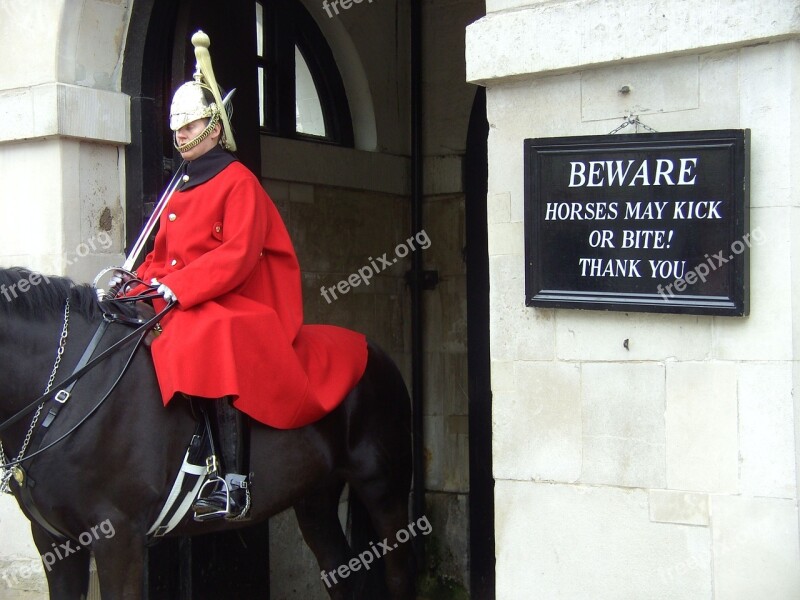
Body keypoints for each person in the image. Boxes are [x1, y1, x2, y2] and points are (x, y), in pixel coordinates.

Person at [114, 32, 368, 519]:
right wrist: (140, 281)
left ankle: (232, 479)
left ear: (213, 128)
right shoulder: (180, 188)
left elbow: (237, 256)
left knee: (210, 332)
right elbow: (162, 256)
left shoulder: (238, 181)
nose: (181, 137)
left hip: (237, 297)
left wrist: (177, 288)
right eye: (178, 130)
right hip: (182, 295)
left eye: (189, 128)